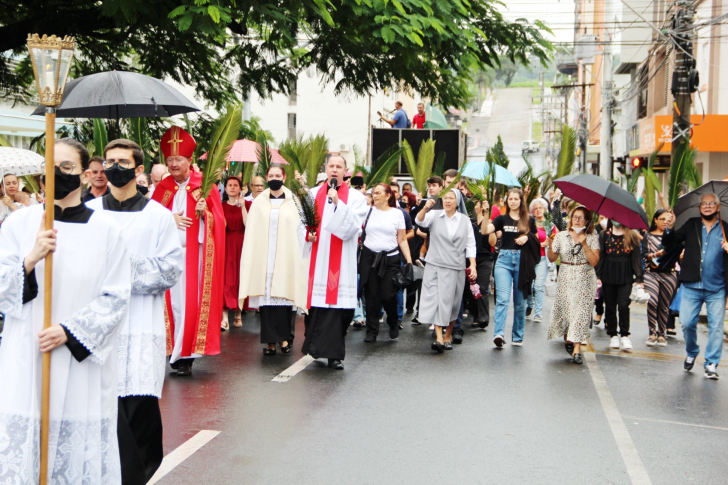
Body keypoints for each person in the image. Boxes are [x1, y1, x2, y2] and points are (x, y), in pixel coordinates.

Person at [0, 138, 131, 483]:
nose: (58, 174)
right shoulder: (18, 225)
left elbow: (116, 297)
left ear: (87, 175)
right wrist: (30, 259)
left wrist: (70, 331)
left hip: (77, 362)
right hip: (26, 356)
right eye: (51, 168)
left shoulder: (108, 232)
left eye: (68, 168)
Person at [86, 138, 183, 485]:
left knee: (140, 412)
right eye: (110, 161)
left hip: (142, 326)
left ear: (139, 169)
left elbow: (170, 270)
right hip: (102, 328)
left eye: (123, 162)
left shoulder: (159, 216)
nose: (115, 167)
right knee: (104, 412)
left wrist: (119, 268)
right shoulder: (90, 214)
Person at [151, 126, 226, 377]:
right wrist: (167, 218)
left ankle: (185, 355)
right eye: (170, 160)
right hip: (169, 257)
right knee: (174, 306)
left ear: (189, 160)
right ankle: (175, 351)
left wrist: (205, 213)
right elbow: (149, 220)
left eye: (178, 159)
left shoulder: (205, 186)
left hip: (196, 258)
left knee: (190, 305)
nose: (173, 164)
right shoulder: (162, 188)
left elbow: (220, 222)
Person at [239, 164, 313, 356]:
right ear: (266, 177)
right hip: (265, 259)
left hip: (286, 258)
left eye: (277, 175)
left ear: (284, 176)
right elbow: (252, 231)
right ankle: (270, 343)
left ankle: (286, 339)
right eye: (271, 175)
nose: (274, 178)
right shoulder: (258, 203)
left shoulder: (293, 202)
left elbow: (300, 229)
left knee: (285, 300)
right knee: (267, 304)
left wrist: (306, 243)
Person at [303, 156, 368, 370]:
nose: (334, 169)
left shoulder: (356, 197)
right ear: (326, 169)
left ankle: (334, 355)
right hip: (318, 257)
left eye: (338, 166)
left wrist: (338, 202)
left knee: (339, 309)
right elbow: (301, 221)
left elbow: (355, 227)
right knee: (317, 307)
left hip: (342, 260)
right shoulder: (312, 194)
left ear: (345, 171)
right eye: (331, 166)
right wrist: (307, 234)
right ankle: (315, 348)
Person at [662, 193, 728, 379]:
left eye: (711, 203)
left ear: (718, 207)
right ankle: (692, 351)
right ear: (699, 208)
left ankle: (711, 364)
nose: (707, 206)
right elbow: (669, 243)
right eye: (703, 204)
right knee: (687, 323)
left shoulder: (725, 229)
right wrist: (669, 226)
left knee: (716, 327)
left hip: (717, 287)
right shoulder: (691, 224)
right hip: (692, 285)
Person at [416, 190, 477, 352]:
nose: (447, 201)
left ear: (458, 201)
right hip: (436, 265)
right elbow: (419, 221)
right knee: (438, 300)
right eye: (445, 198)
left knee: (453, 303)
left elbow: (470, 244)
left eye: (451, 198)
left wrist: (473, 264)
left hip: (456, 266)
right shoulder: (434, 215)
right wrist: (424, 208)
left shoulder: (464, 220)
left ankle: (448, 335)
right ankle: (438, 338)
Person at [482, 188, 538, 348]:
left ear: (521, 201)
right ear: (507, 200)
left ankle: (517, 336)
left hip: (522, 261)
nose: (513, 201)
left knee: (520, 303)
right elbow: (485, 230)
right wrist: (485, 212)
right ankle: (498, 334)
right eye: (510, 199)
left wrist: (527, 236)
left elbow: (536, 238)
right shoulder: (501, 219)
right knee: (502, 300)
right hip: (504, 260)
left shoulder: (528, 220)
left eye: (516, 199)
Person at [359, 184, 413, 342]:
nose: (374, 196)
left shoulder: (397, 214)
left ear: (388, 195)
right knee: (371, 296)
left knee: (388, 295)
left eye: (378, 193)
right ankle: (372, 331)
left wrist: (409, 261)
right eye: (373, 193)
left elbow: (402, 238)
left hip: (391, 259)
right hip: (370, 259)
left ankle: (393, 321)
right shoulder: (367, 211)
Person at [546, 206, 600, 364]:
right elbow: (552, 258)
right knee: (568, 312)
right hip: (566, 275)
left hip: (585, 276)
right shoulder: (562, 236)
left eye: (581, 217)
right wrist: (549, 245)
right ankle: (569, 338)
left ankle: (577, 349)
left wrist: (584, 245)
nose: (577, 220)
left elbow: (594, 261)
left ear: (587, 221)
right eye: (575, 216)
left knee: (581, 312)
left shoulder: (592, 237)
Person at [596, 220, 644, 352]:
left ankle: (624, 335)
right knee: (610, 306)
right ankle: (613, 335)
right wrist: (598, 276)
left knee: (623, 305)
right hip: (608, 275)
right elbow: (601, 256)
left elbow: (636, 258)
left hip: (625, 276)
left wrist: (639, 278)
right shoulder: (604, 235)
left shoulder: (632, 236)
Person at [642, 210, 679, 346]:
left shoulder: (674, 236)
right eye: (661, 219)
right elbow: (644, 254)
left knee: (664, 305)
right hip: (651, 272)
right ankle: (652, 332)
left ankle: (661, 333)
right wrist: (655, 255)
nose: (664, 222)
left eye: (667, 219)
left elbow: (679, 251)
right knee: (652, 301)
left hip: (669, 274)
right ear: (655, 220)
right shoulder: (648, 236)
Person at [221, 176, 249, 330]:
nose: (232, 187)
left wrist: (243, 206)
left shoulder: (247, 204)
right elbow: (221, 225)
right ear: (225, 188)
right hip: (225, 243)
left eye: (235, 185)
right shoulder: (220, 206)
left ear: (240, 188)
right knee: (225, 278)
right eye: (229, 185)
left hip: (242, 243)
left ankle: (238, 312)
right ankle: (224, 316)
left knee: (240, 277)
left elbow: (249, 224)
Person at [467, 199, 495, 329]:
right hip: (471, 258)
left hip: (485, 258)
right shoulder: (469, 223)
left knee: (482, 287)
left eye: (476, 204)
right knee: (471, 287)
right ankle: (475, 315)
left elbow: (492, 242)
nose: (474, 207)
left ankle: (483, 317)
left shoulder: (487, 222)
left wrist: (490, 227)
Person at [526, 198, 552, 323]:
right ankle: (530, 305)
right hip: (531, 257)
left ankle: (538, 313)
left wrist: (549, 242)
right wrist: (538, 244)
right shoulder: (530, 223)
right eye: (535, 208)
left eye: (540, 208)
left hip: (543, 259)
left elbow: (555, 239)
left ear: (545, 209)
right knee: (529, 285)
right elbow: (526, 238)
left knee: (538, 286)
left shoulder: (549, 224)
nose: (538, 210)